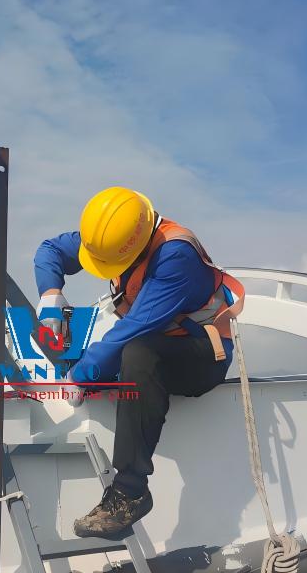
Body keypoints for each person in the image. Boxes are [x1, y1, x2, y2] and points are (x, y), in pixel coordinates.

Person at [33, 186, 244, 538]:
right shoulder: (114, 238)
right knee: (120, 358)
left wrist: (81, 376)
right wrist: (50, 292)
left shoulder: (176, 257)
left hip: (201, 356)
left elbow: (133, 330)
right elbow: (51, 249)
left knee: (138, 354)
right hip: (155, 344)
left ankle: (129, 493)